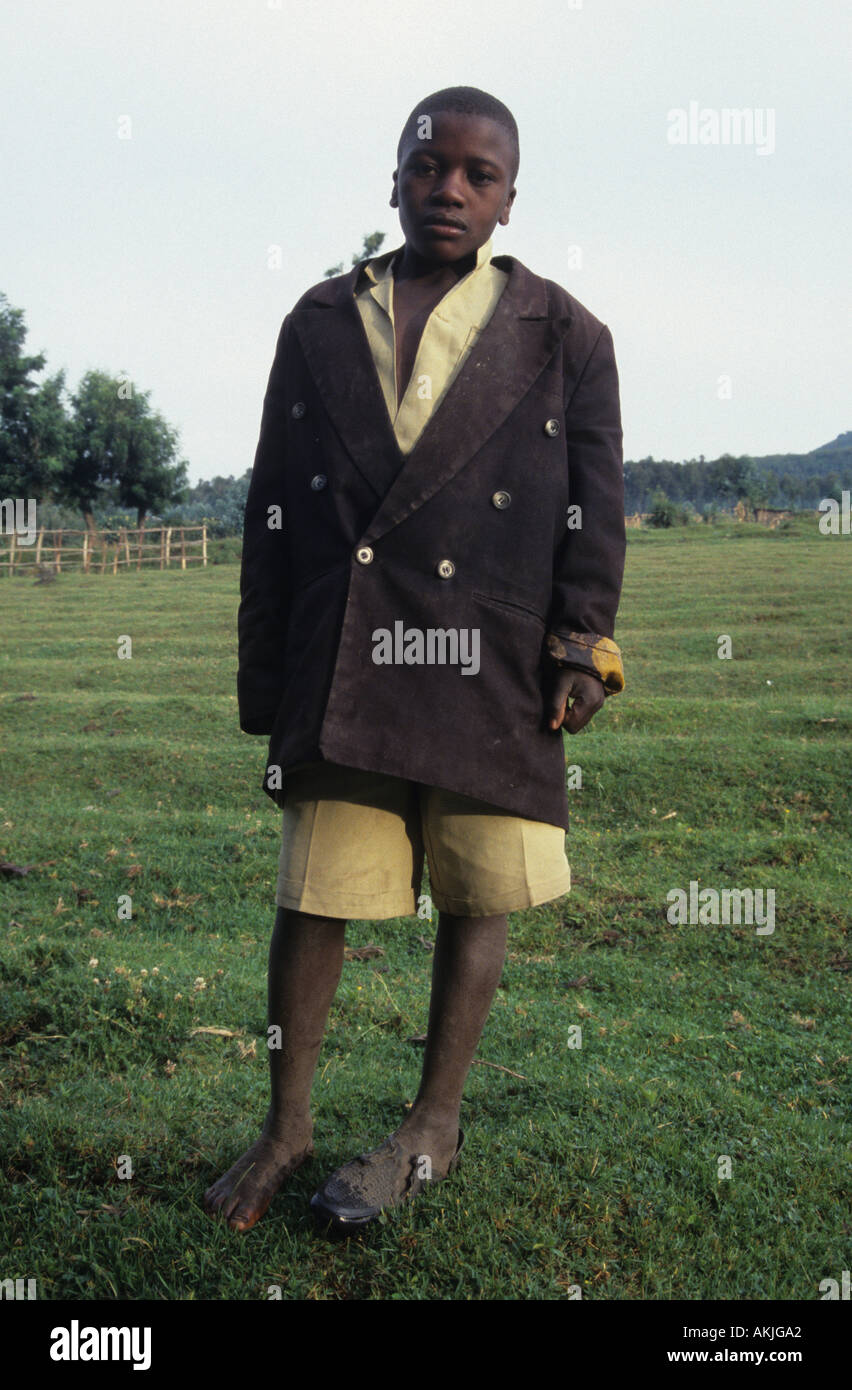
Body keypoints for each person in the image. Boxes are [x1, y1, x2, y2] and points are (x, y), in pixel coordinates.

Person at [204, 85, 626, 1235]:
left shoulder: (569, 335)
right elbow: (272, 508)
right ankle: (286, 1124)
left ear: (509, 199)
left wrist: (583, 644)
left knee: (480, 889)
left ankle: (433, 1120)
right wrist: (263, 666)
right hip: (346, 650)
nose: (451, 187)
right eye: (430, 165)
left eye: (478, 175)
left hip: (489, 657)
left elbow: (597, 512)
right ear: (394, 177)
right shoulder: (320, 322)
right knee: (314, 893)